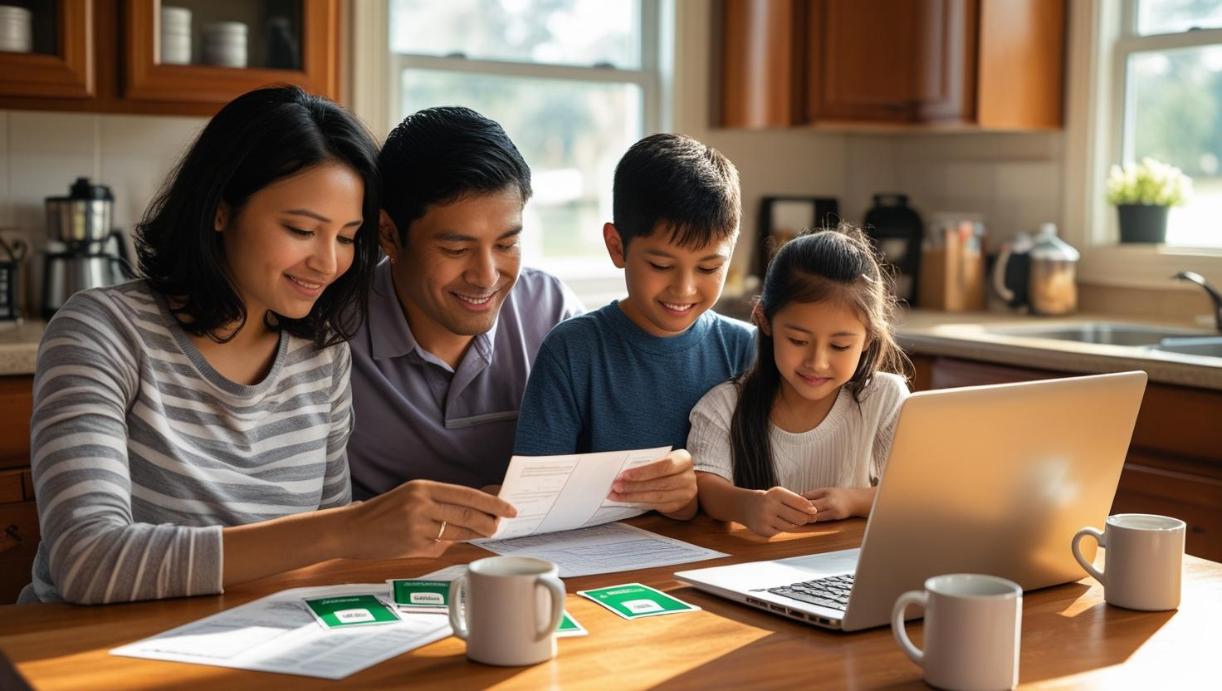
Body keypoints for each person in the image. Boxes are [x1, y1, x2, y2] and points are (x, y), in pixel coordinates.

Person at [20, 86, 514, 605]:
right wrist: (346, 530)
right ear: (221, 210)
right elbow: (88, 561)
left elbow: (326, 563)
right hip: (98, 642)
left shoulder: (321, 355)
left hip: (262, 632)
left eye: (347, 237)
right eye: (301, 229)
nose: (328, 262)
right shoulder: (103, 331)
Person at [512, 133, 755, 520]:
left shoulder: (749, 350)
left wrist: (698, 496)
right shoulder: (571, 352)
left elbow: (773, 476)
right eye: (661, 265)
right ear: (616, 246)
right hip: (599, 550)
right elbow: (534, 501)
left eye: (709, 267)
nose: (684, 288)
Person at [346, 106, 582, 498]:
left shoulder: (551, 311)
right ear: (389, 234)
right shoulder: (333, 332)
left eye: (506, 244)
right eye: (456, 249)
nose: (486, 276)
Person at [688, 229, 910, 538]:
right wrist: (748, 506)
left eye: (840, 346)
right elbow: (705, 485)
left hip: (847, 561)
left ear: (868, 338)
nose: (817, 362)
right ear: (764, 321)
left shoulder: (884, 397)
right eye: (798, 340)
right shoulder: (723, 406)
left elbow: (915, 493)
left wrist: (853, 501)